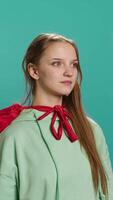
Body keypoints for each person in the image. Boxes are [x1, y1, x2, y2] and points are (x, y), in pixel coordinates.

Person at [0, 33, 113, 200]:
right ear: (34, 71)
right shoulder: (15, 135)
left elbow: (107, 192)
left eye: (74, 65)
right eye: (56, 63)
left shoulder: (91, 130)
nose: (69, 72)